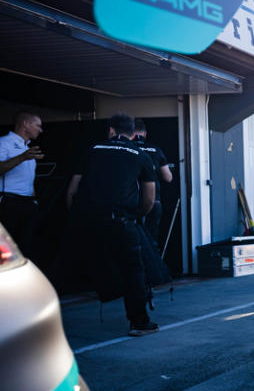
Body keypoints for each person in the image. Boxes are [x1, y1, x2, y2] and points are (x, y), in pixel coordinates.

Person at [66, 114, 159, 337]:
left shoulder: (92, 150)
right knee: (133, 271)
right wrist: (138, 216)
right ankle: (138, 322)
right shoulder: (140, 154)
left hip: (90, 221)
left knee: (82, 264)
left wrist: (76, 217)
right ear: (134, 133)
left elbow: (73, 189)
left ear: (110, 131)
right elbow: (149, 196)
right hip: (122, 221)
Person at [0, 111, 44, 257]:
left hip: (28, 204)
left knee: (27, 248)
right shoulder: (3, 142)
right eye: (38, 125)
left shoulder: (27, 148)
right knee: (8, 251)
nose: (40, 129)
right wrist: (23, 157)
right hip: (9, 203)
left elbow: (28, 179)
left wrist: (35, 201)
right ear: (26, 124)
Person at [132, 118, 172, 246]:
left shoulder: (127, 149)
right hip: (154, 200)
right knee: (151, 240)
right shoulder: (155, 150)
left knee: (131, 240)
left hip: (131, 200)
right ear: (145, 134)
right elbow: (168, 178)